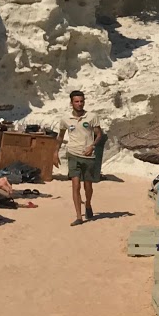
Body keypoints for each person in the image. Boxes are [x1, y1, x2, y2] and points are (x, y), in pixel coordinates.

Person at [55, 90, 105, 225]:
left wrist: (92, 146)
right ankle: (79, 216)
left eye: (81, 101)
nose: (79, 104)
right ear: (71, 103)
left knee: (87, 186)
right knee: (75, 185)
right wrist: (55, 152)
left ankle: (88, 204)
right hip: (73, 154)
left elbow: (99, 134)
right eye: (76, 101)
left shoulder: (92, 117)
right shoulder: (65, 119)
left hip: (88, 156)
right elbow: (60, 136)